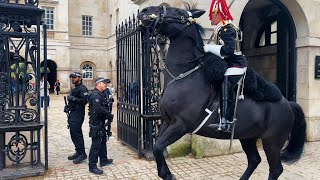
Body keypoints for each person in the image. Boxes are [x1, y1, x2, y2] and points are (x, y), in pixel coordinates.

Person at [204, 0, 248, 132]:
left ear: (219, 15)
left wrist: (209, 48)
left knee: (225, 85)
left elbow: (228, 50)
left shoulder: (226, 29)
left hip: (237, 64)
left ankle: (226, 121)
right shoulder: (222, 28)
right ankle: (218, 115)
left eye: (213, 14)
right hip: (230, 63)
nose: (211, 17)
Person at [88, 77, 113, 174]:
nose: (106, 85)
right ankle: (92, 166)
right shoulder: (95, 95)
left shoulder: (101, 94)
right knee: (96, 144)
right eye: (104, 83)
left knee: (103, 141)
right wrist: (108, 114)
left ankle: (103, 160)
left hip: (101, 122)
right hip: (96, 122)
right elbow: (98, 108)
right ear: (98, 84)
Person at [66, 72, 89, 164]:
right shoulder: (75, 88)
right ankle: (78, 151)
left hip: (78, 113)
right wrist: (68, 107)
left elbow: (85, 101)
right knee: (73, 133)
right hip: (73, 113)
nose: (73, 79)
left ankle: (82, 154)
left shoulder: (82, 89)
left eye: (75, 77)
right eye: (72, 77)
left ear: (80, 78)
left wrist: (73, 99)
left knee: (77, 133)